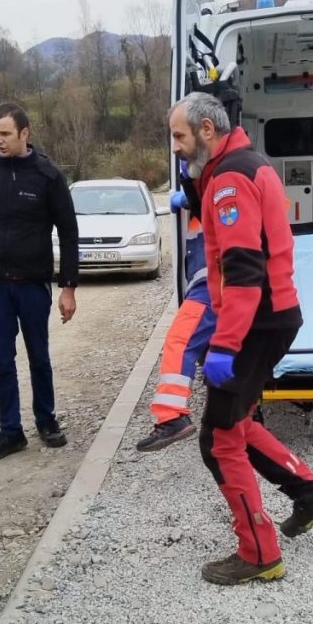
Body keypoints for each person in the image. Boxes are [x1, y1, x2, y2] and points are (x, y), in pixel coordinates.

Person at [168, 92, 313, 586]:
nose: (175, 146)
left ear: (206, 130)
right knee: (238, 421)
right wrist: (192, 187)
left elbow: (244, 270)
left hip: (254, 321)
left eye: (179, 136)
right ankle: (310, 494)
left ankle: (259, 552)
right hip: (272, 316)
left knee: (218, 440)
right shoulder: (243, 164)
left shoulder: (229, 180)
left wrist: (225, 344)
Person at [0, 102, 79, 463]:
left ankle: (46, 420)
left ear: (25, 133)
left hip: (32, 284)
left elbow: (69, 232)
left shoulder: (47, 176)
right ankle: (10, 431)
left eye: (5, 133)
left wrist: (68, 287)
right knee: (1, 360)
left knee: (38, 355)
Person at [136, 161, 217, 452]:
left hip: (210, 288)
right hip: (211, 286)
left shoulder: (214, 188)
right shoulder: (206, 195)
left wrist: (184, 196)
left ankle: (172, 417)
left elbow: (205, 194)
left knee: (180, 343)